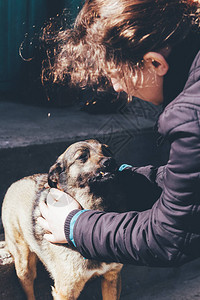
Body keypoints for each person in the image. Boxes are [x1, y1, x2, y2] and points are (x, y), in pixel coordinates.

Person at [38, 0, 200, 267]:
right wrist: (125, 176)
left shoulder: (189, 118)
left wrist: (74, 226)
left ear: (155, 63)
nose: (116, 87)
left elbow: (169, 237)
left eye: (116, 74)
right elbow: (190, 187)